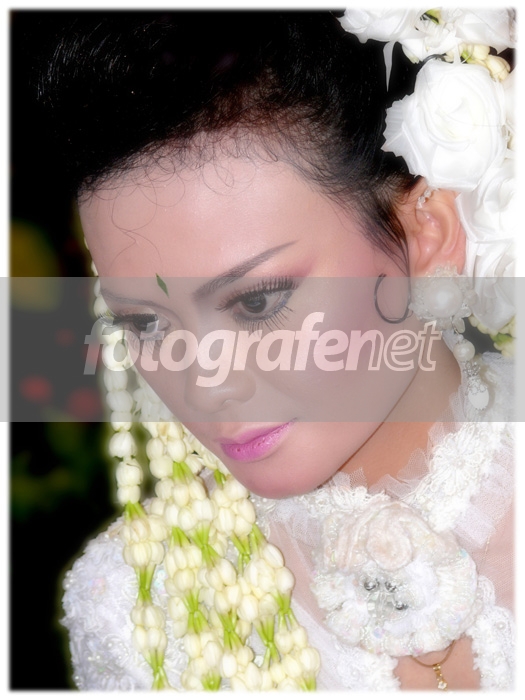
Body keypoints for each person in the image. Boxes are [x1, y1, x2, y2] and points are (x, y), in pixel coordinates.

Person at [37, 8, 515, 691]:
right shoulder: (141, 608)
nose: (204, 385)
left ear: (425, 233)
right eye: (145, 324)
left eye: (257, 302)